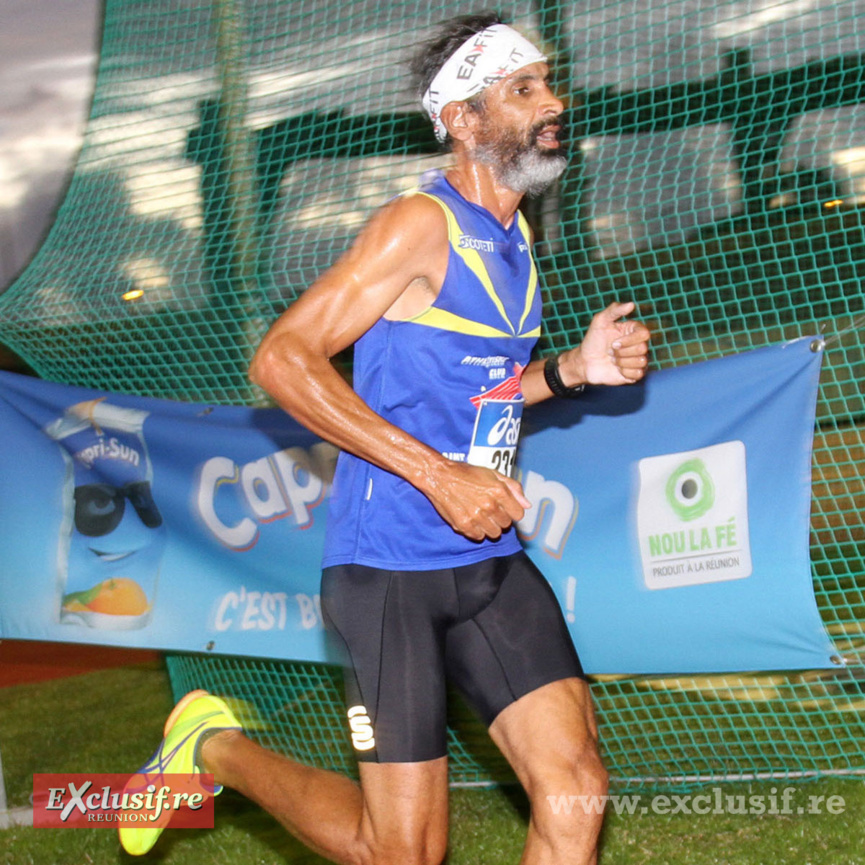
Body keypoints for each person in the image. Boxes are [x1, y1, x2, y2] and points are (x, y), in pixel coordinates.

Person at [119, 13, 650, 864]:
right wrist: (437, 476)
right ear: (463, 122)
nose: (553, 102)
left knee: (575, 785)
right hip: (388, 572)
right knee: (398, 851)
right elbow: (281, 357)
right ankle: (209, 746)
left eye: (548, 82)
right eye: (523, 90)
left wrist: (574, 372)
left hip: (484, 564)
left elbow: (483, 395)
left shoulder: (514, 236)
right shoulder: (417, 225)